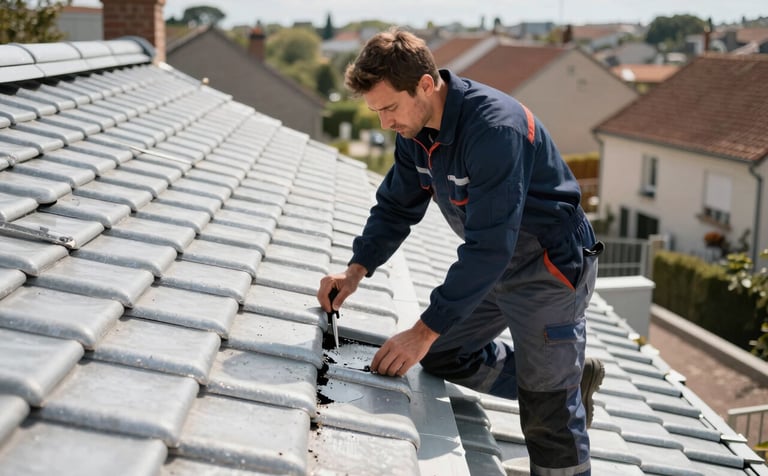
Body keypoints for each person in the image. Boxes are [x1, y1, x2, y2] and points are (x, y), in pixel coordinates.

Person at [317, 28, 604, 476]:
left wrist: (422, 328)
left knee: (547, 415)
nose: (384, 123)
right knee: (442, 353)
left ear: (426, 86)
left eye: (389, 108)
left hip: (548, 267)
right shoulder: (414, 130)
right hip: (496, 264)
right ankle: (570, 376)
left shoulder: (493, 129)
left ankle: (557, 386)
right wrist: (355, 272)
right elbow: (396, 206)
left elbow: (490, 245)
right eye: (376, 112)